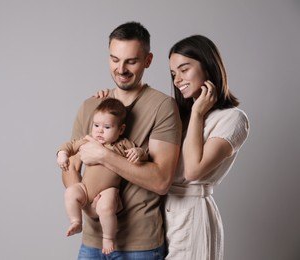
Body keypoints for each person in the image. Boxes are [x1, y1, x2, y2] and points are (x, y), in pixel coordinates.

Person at [62, 21, 182, 259]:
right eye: (115, 59)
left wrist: (104, 155)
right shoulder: (90, 106)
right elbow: (70, 168)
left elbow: (161, 181)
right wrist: (88, 204)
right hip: (92, 242)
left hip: (140, 245)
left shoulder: (163, 107)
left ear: (148, 61)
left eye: (132, 61)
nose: (121, 69)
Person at [164, 35, 250, 259]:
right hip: (161, 213)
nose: (177, 80)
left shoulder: (233, 119)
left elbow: (193, 170)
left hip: (193, 215)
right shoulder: (178, 118)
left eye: (184, 69)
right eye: (173, 73)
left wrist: (197, 113)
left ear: (208, 66)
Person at [57, 98, 148, 254]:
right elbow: (70, 145)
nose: (99, 130)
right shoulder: (88, 140)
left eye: (107, 127)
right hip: (85, 188)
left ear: (120, 129)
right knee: (71, 192)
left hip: (108, 190)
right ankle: (76, 221)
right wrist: (62, 154)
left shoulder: (122, 144)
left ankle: (108, 238)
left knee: (106, 208)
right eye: (96, 125)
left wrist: (138, 153)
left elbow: (144, 155)